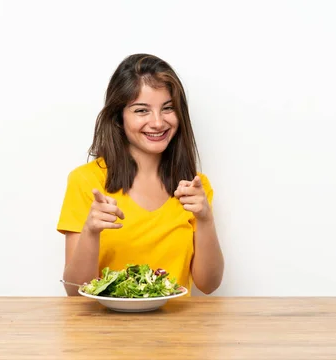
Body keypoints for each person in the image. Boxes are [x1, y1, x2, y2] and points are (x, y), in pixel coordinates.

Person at [57, 53, 224, 296]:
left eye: (168, 108)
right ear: (118, 117)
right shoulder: (86, 181)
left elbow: (208, 284)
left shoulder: (194, 187)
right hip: (105, 331)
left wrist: (205, 218)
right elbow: (74, 290)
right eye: (142, 110)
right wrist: (90, 232)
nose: (157, 122)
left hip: (178, 331)